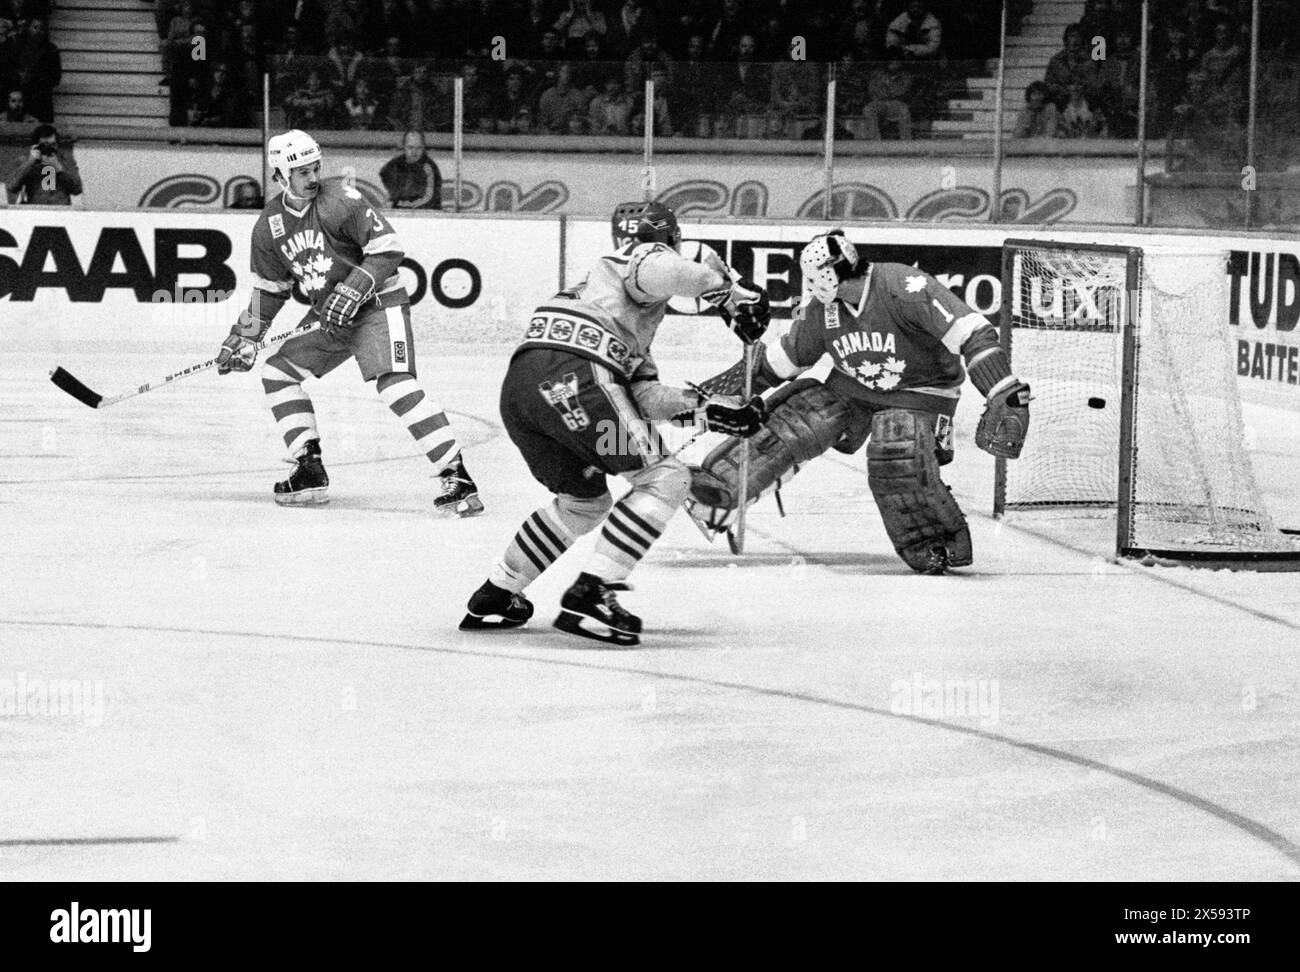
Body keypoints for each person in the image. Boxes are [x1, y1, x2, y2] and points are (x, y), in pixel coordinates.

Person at [459, 201, 771, 646]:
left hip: (526, 395)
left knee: (582, 502)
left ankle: (498, 591)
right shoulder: (638, 258)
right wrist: (730, 294)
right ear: (670, 240)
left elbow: (642, 395)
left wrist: (706, 409)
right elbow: (674, 271)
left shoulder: (605, 304)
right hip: (577, 379)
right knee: (665, 478)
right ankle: (592, 593)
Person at [687, 228, 1031, 574]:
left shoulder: (904, 287)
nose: (811, 287)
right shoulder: (822, 309)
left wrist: (1001, 387)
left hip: (923, 393)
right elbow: (784, 360)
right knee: (804, 414)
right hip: (853, 388)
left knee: (897, 444)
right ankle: (720, 491)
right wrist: (713, 397)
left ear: (830, 274)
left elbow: (972, 331)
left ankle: (937, 540)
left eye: (814, 278)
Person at [214, 130, 482, 514]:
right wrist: (245, 336)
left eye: (314, 168)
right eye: (301, 172)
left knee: (394, 384)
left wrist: (354, 290)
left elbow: (388, 248)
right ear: (279, 175)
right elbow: (271, 290)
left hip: (376, 305)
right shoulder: (269, 225)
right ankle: (308, 468)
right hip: (330, 317)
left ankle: (457, 475)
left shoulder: (342, 199)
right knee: (277, 373)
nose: (312, 178)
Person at [5, 123, 81, 204]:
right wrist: (30, 161)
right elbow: (11, 187)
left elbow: (77, 189)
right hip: (37, 209)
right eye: (45, 145)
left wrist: (60, 170)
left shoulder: (65, 160)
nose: (50, 148)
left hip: (61, 209)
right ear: (36, 145)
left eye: (53, 145)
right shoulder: (27, 161)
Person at [379, 130, 443, 210]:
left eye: (418, 148)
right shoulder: (394, 164)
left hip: (426, 213)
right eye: (410, 147)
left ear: (424, 148)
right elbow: (384, 175)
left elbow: (429, 200)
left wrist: (399, 204)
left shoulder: (429, 168)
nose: (414, 152)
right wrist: (392, 198)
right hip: (400, 211)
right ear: (403, 147)